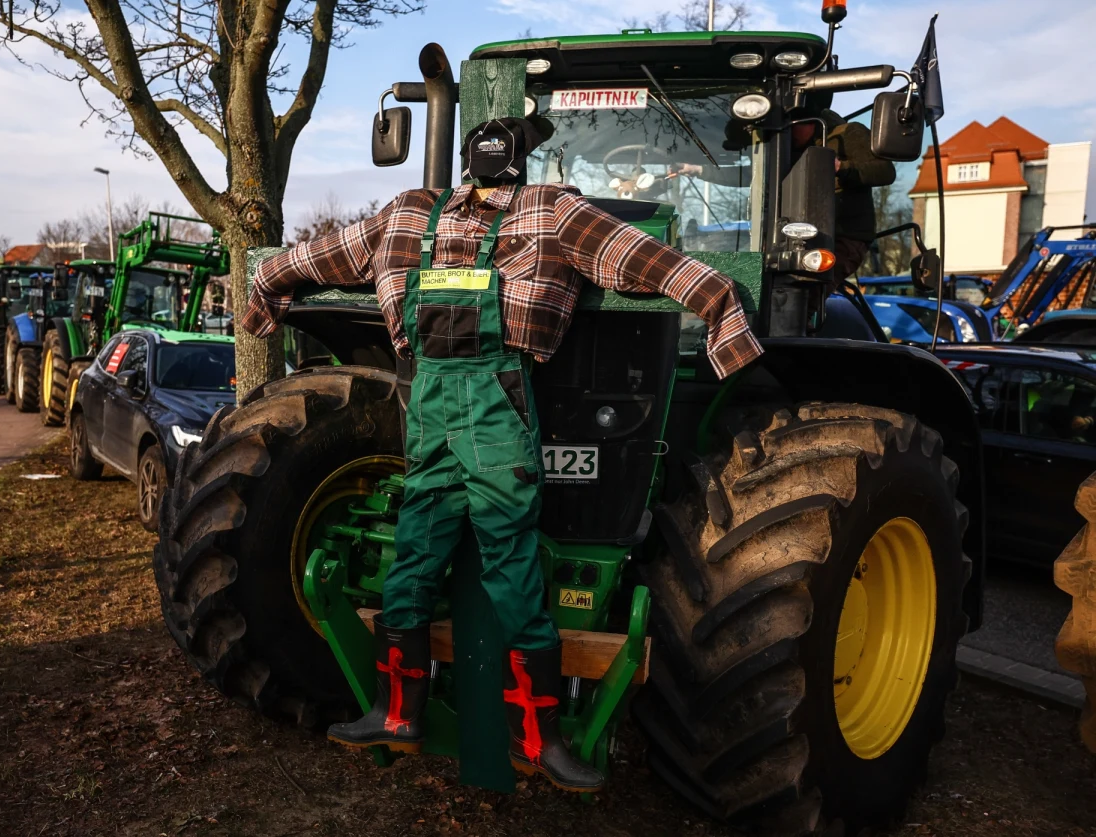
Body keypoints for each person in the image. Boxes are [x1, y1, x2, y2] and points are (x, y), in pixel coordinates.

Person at [244, 116, 762, 792]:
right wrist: (265, 290)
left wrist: (721, 305)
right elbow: (305, 261)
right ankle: (395, 711)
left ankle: (537, 738)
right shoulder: (415, 214)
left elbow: (647, 264)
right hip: (431, 421)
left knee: (512, 570)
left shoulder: (549, 214)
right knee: (414, 558)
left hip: (493, 415)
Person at [676, 109, 896, 281]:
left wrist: (842, 167)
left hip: (840, 236)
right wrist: (699, 170)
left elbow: (885, 171)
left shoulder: (846, 134)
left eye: (790, 126)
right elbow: (752, 175)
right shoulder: (785, 148)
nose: (785, 134)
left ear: (807, 121)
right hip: (786, 237)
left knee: (805, 294)